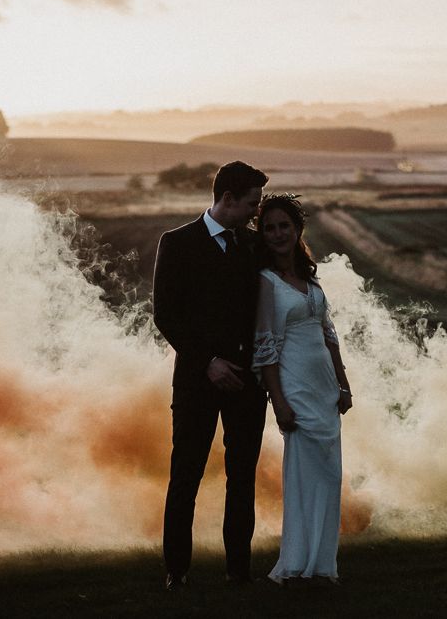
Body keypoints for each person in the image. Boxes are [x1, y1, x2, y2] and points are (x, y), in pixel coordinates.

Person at [153, 161, 269, 592]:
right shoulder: (177, 243)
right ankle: (176, 572)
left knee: (242, 477)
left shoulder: (255, 247)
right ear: (227, 199)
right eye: (252, 204)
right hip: (196, 382)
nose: (256, 212)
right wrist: (208, 362)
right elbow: (165, 314)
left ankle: (239, 571)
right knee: (186, 474)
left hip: (248, 383)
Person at [252, 193, 353, 585]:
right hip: (294, 388)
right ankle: (297, 562)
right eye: (270, 227)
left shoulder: (310, 280)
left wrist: (343, 386)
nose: (277, 234)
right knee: (303, 477)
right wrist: (278, 400)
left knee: (329, 478)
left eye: (284, 227)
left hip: (325, 387)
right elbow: (266, 347)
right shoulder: (265, 281)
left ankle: (322, 564)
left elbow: (330, 337)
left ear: (298, 231)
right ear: (263, 234)